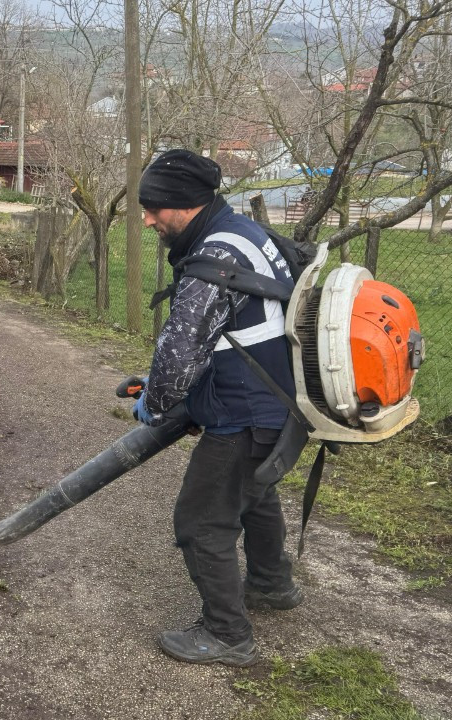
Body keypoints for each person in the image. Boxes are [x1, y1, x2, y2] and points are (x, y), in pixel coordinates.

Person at [133, 149, 302, 667]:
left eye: (155, 208)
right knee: (253, 492)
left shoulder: (213, 258)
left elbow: (180, 351)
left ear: (187, 205)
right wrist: (175, 390)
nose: (147, 218)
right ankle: (272, 585)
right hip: (280, 403)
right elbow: (231, 333)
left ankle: (226, 634)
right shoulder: (244, 232)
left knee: (202, 520)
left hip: (245, 412)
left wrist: (156, 401)